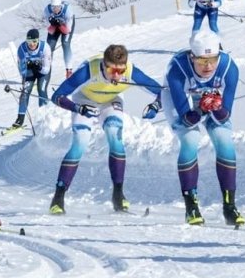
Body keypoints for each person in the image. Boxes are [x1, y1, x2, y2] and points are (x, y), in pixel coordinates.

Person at [48, 44, 163, 214]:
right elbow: (56, 96)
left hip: (110, 101)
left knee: (115, 137)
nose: (116, 75)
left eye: (121, 71)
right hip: (84, 100)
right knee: (80, 143)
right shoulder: (88, 71)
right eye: (112, 70)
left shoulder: (131, 72)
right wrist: (78, 108)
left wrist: (155, 106)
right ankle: (58, 197)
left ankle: (118, 194)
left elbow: (162, 92)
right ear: (103, 64)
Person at [162, 30, 244, 226]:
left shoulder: (228, 67)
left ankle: (229, 206)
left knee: (224, 141)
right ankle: (191, 205)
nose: (208, 66)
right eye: (201, 62)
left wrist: (214, 106)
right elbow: (188, 119)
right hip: (183, 98)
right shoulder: (177, 69)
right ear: (192, 58)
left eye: (212, 60)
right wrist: (201, 107)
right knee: (190, 139)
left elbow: (224, 115)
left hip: (209, 98)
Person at [12, 28, 51, 128]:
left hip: (43, 72)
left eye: (34, 41)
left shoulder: (45, 47)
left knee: (41, 90)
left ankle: (44, 116)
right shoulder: (21, 49)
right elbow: (22, 71)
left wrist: (38, 67)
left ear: (38, 40)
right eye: (29, 41)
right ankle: (20, 118)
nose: (32, 44)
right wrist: (27, 67)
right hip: (29, 72)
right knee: (25, 91)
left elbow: (46, 70)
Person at [44, 0, 76, 77]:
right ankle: (46, 69)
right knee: (49, 47)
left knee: (65, 43)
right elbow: (48, 28)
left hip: (66, 26)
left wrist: (61, 24)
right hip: (54, 25)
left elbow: (67, 31)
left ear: (61, 5)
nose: (55, 9)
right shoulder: (47, 10)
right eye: (53, 7)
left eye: (57, 7)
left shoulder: (67, 10)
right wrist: (52, 22)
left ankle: (69, 70)